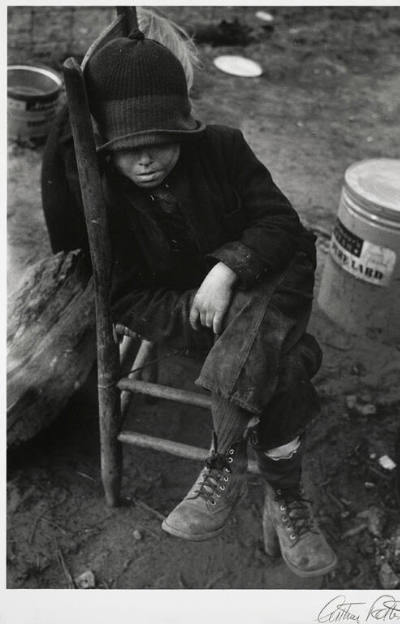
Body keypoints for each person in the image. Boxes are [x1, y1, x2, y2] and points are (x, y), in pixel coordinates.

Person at [41, 22, 337, 580]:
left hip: (271, 278)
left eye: (160, 139)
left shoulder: (222, 147)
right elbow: (124, 295)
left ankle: (222, 459)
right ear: (106, 147)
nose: (146, 158)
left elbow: (281, 225)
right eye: (127, 148)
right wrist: (202, 310)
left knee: (264, 297)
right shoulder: (103, 197)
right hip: (204, 315)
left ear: (185, 126)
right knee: (292, 365)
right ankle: (287, 495)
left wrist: (228, 269)